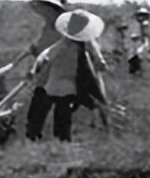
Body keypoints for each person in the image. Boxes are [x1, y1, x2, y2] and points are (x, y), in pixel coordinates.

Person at [31, 8, 107, 142]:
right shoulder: (64, 44)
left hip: (69, 83)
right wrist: (36, 67)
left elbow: (97, 57)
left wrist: (100, 62)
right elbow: (46, 55)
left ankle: (61, 138)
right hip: (56, 82)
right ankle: (47, 136)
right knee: (56, 110)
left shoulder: (84, 45)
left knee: (62, 112)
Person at [25, 0, 66, 142]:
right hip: (43, 74)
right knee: (37, 108)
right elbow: (38, 47)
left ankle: (61, 141)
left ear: (55, 11)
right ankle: (33, 137)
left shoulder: (63, 28)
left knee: (61, 108)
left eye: (47, 10)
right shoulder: (45, 28)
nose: (45, 13)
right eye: (43, 11)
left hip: (59, 73)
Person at [128, 4, 150, 74]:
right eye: (140, 15)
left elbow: (147, 35)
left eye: (143, 15)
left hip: (143, 47)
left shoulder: (147, 25)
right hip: (135, 48)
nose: (141, 17)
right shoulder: (135, 25)